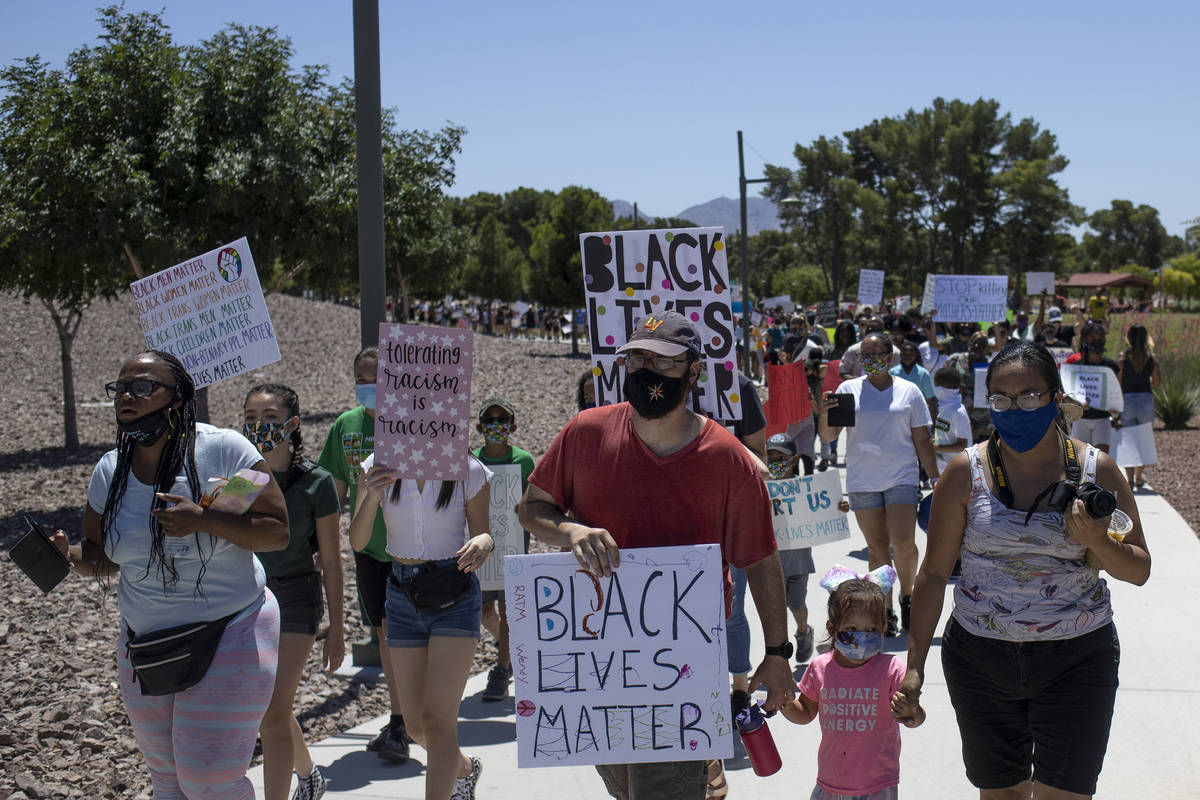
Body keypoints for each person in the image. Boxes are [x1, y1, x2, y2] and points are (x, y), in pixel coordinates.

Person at [519, 310, 794, 800]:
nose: (647, 371)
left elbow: (760, 559)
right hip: (600, 668)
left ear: (693, 372)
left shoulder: (728, 460)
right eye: (638, 359)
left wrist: (776, 654)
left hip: (683, 672)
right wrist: (571, 532)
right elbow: (532, 510)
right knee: (626, 790)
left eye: (663, 363)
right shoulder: (585, 433)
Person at [900, 340, 1150, 799]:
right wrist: (914, 668)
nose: (1015, 409)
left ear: (1057, 398)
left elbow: (1139, 569)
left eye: (1030, 396)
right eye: (1001, 398)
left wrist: (1098, 541)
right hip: (979, 659)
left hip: (1077, 658)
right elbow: (934, 575)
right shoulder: (963, 472)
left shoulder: (1099, 471)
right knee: (1003, 794)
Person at [53, 350, 289, 798]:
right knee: (166, 780)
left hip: (231, 632)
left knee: (209, 778)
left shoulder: (224, 451)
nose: (127, 395)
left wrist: (204, 521)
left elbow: (277, 532)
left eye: (142, 387)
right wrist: (68, 557)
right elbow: (103, 557)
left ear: (178, 400)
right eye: (121, 388)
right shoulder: (110, 470)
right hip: (146, 646)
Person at [350, 449, 495, 800]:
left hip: (454, 593)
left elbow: (484, 535)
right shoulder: (375, 465)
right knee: (415, 726)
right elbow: (357, 540)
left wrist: (484, 542)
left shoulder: (468, 468)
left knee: (437, 722)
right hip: (401, 595)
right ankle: (463, 769)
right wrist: (371, 495)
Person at [244, 384, 344, 800]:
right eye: (250, 418)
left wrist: (337, 627)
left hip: (297, 599)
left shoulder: (317, 483)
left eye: (269, 418)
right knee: (273, 709)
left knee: (272, 709)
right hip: (246, 599)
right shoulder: (240, 478)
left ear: (292, 424)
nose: (258, 426)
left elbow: (333, 561)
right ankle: (309, 777)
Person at [316, 347, 410, 760]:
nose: (370, 386)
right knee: (386, 634)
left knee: (407, 636)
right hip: (370, 550)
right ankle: (401, 719)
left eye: (378, 378)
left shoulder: (415, 423)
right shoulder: (345, 426)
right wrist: (316, 543)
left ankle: (411, 717)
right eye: (362, 378)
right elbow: (333, 493)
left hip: (416, 551)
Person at [818, 333, 940, 636]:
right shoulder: (848, 389)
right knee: (877, 548)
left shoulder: (909, 391)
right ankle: (884, 610)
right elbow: (830, 436)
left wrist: (937, 478)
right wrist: (824, 412)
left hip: (902, 477)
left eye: (876, 354)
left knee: (903, 544)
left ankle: (907, 596)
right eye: (864, 356)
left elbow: (921, 439)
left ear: (890, 357)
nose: (870, 360)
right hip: (863, 480)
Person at [782, 566, 925, 800]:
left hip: (879, 784)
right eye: (851, 629)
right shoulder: (820, 668)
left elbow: (915, 719)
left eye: (871, 629)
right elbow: (805, 712)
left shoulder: (892, 669)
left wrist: (912, 711)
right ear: (832, 628)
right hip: (831, 782)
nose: (862, 636)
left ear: (883, 628)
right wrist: (786, 703)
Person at [471, 396, 536, 702]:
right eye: (490, 420)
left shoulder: (523, 460)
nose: (496, 425)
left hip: (512, 547)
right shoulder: (471, 460)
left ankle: (501, 668)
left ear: (513, 425)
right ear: (480, 426)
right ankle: (507, 651)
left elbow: (533, 501)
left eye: (502, 420)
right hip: (481, 550)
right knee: (485, 610)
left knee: (510, 611)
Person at [1116, 323, 1160, 488]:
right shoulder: (1151, 358)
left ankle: (1129, 479)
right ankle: (1140, 476)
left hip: (1127, 400)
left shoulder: (1123, 357)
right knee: (1143, 440)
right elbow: (1156, 383)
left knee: (1128, 441)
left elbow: (1119, 384)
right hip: (1145, 400)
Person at [1068, 323, 1121, 454]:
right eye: (1092, 338)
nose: (1096, 341)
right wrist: (1078, 404)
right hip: (1081, 420)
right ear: (1084, 340)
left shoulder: (1111, 367)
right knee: (1080, 459)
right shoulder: (1075, 367)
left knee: (1101, 459)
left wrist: (1116, 411)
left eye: (1099, 338)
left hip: (1102, 419)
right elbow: (1067, 396)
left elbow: (1118, 393)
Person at [889, 339, 936, 421]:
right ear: (901, 354)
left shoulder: (923, 374)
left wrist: (933, 424)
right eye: (905, 353)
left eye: (911, 353)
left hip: (918, 416)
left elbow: (931, 400)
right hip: (897, 416)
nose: (908, 355)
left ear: (916, 355)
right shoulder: (892, 372)